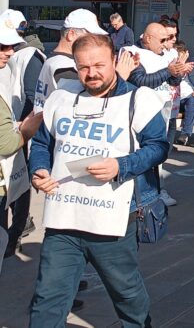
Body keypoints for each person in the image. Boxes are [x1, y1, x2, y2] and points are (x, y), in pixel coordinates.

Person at [28, 33, 169, 327]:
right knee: (48, 297)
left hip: (114, 219)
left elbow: (158, 147)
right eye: (83, 67)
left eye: (99, 65)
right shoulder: (61, 97)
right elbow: (42, 144)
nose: (91, 74)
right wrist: (38, 170)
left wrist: (121, 165)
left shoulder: (138, 98)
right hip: (63, 218)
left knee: (127, 295)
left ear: (114, 61)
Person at [123, 21, 192, 207]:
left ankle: (158, 189)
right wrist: (168, 71)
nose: (166, 43)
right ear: (147, 38)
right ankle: (150, 193)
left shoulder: (168, 54)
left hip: (167, 111)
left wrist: (178, 71)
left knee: (162, 155)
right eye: (163, 39)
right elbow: (140, 81)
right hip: (144, 116)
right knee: (147, 155)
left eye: (169, 38)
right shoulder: (131, 52)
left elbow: (174, 80)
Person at [0, 9, 45, 255]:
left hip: (12, 134)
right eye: (3, 45)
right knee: (19, 186)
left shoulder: (17, 58)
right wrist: (27, 128)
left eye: (12, 42)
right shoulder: (32, 56)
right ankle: (14, 234)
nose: (9, 51)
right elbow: (33, 97)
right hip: (13, 139)